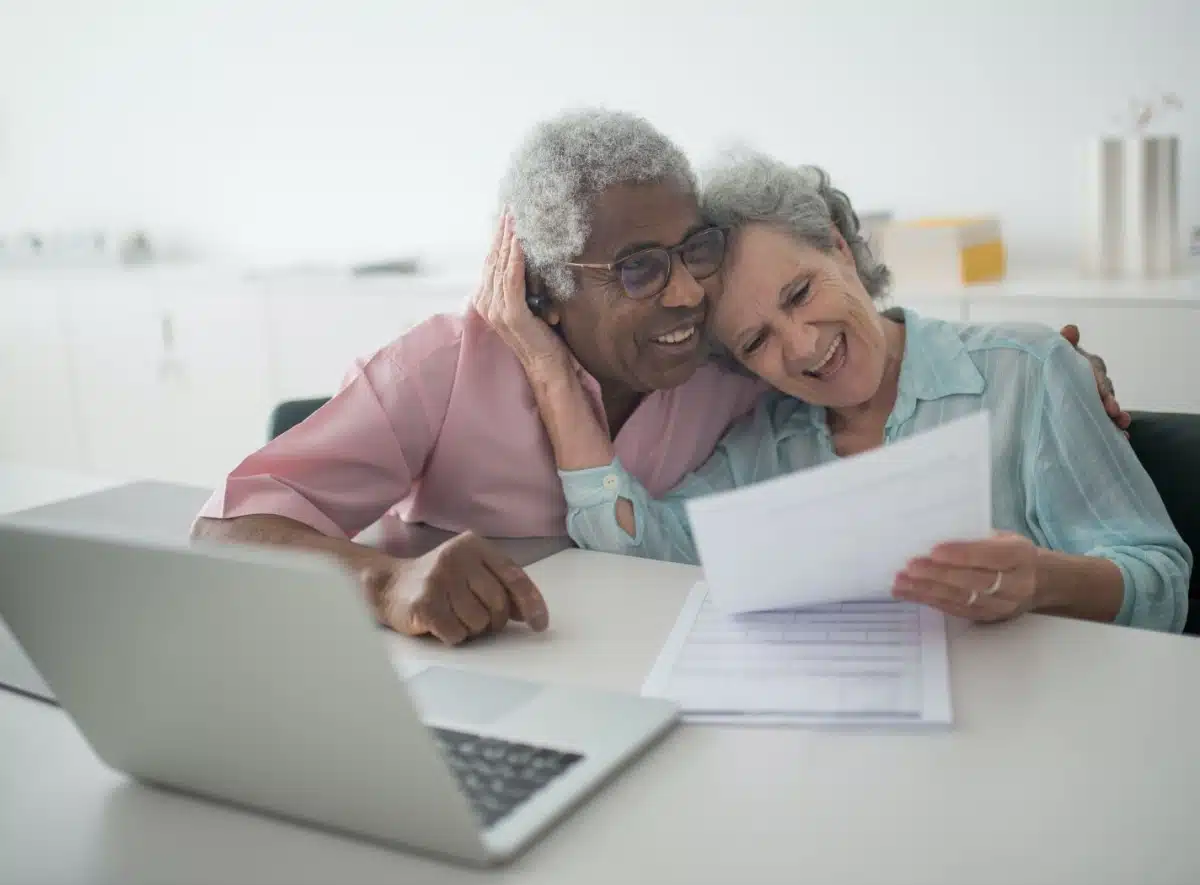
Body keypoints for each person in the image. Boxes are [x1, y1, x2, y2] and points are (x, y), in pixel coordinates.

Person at [193, 109, 1128, 645]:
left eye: (695, 251)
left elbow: (862, 359)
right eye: (640, 268)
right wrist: (384, 583)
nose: (686, 292)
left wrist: (1061, 371)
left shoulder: (733, 367)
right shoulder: (443, 367)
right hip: (455, 684)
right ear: (548, 290)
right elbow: (224, 532)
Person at [478, 152, 1190, 633]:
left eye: (800, 292)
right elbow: (635, 554)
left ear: (840, 250)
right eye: (755, 342)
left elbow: (1160, 581)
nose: (802, 346)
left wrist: (1040, 580)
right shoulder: (765, 442)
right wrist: (547, 370)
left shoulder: (1027, 371)